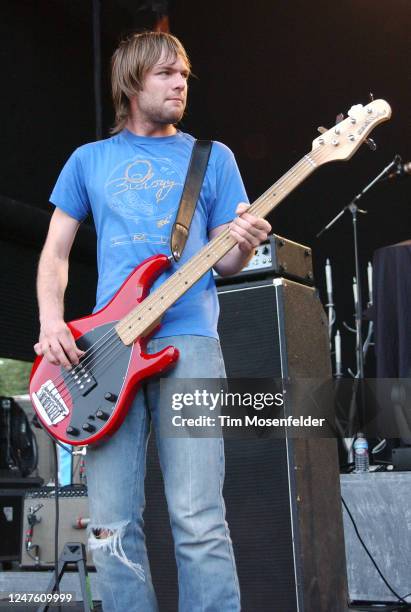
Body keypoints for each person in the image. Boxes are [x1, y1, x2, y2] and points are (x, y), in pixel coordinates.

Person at [34, 31, 271, 612]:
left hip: (190, 342)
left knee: (199, 518)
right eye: (165, 73)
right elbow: (56, 252)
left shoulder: (212, 159)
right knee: (111, 526)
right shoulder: (88, 161)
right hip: (106, 352)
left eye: (184, 73)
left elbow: (228, 259)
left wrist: (242, 242)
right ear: (132, 82)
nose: (180, 83)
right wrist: (51, 320)